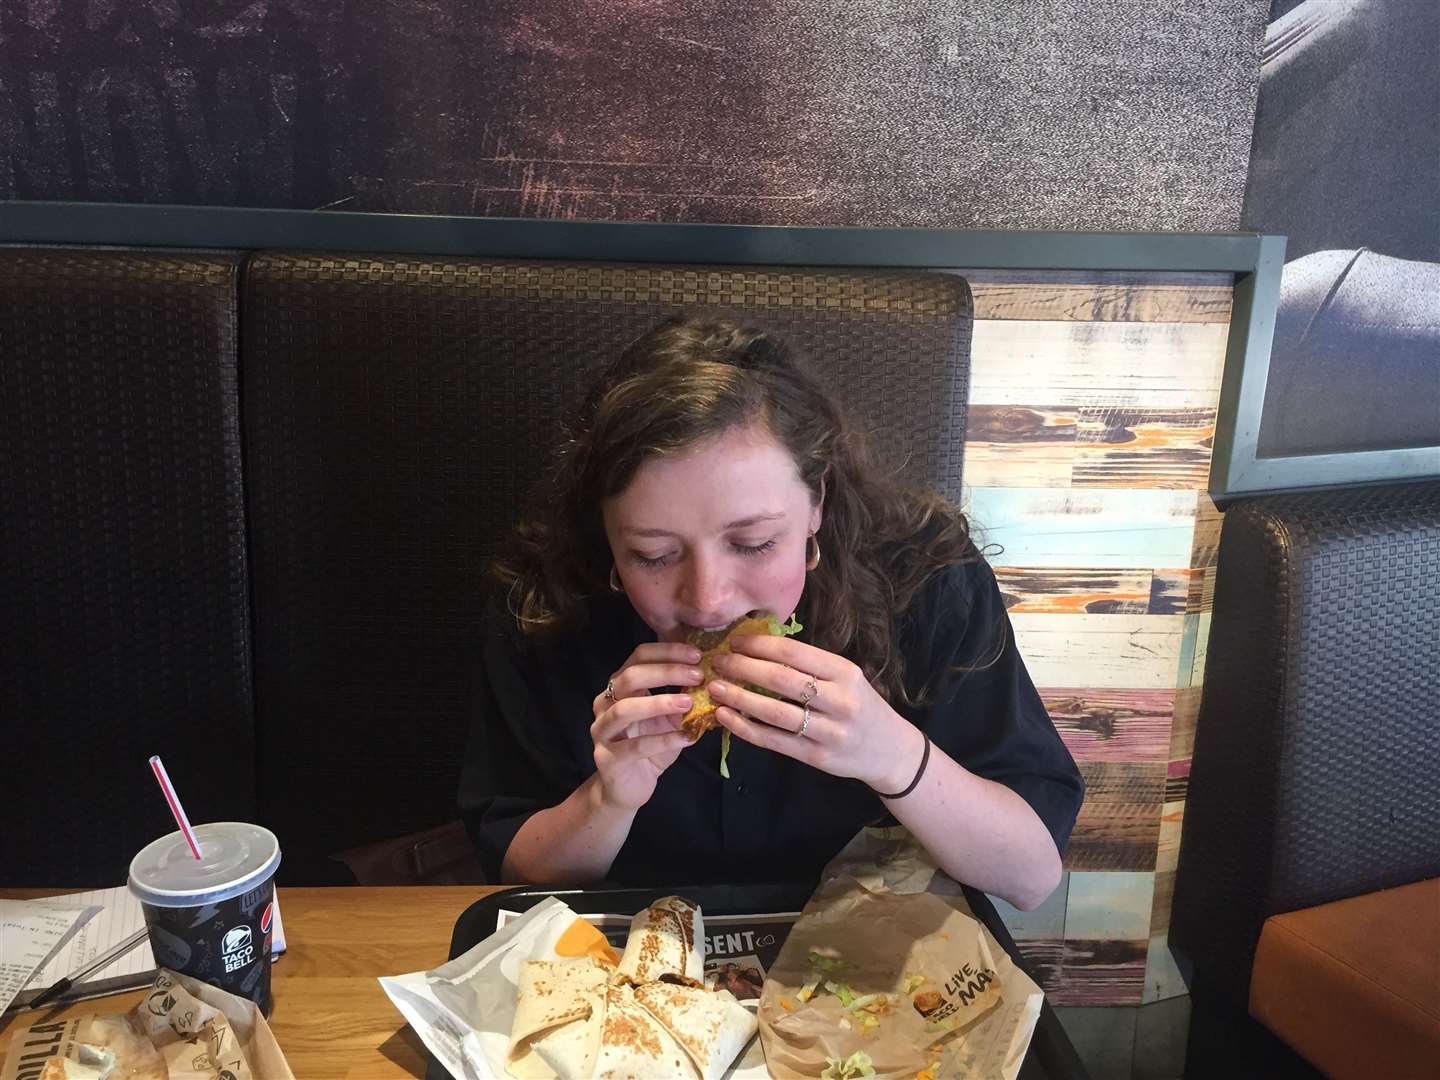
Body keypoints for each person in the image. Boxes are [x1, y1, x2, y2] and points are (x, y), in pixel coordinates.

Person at [459, 317, 1083, 911]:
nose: (707, 599)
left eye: (753, 542)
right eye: (652, 555)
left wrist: (892, 755)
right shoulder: (547, 603)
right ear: (607, 540)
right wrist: (609, 798)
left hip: (873, 967)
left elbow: (1030, 877)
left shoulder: (927, 579)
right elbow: (518, 879)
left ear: (817, 501)